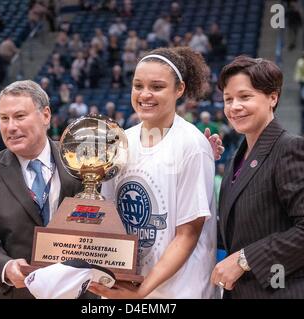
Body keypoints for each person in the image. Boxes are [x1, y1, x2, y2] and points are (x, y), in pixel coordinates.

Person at [89, 47, 219, 299]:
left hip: (178, 292)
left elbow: (188, 234)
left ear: (178, 90)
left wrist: (142, 293)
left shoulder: (192, 145)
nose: (144, 94)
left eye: (157, 87)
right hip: (124, 289)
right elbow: (108, 220)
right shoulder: (120, 141)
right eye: (138, 86)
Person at [212, 56, 304, 298]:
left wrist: (244, 260)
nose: (234, 106)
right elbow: (237, 230)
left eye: (245, 97)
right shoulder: (236, 156)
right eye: (228, 99)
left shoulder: (291, 148)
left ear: (272, 97)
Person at [0, 80, 83, 299]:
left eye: (19, 116)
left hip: (77, 293)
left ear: (45, 115)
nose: (10, 127)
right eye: (3, 119)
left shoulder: (81, 165)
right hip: (12, 293)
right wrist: (6, 267)